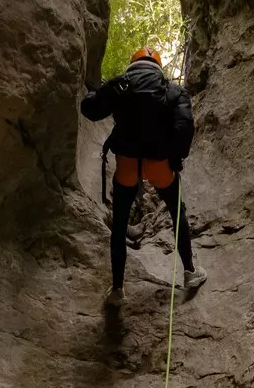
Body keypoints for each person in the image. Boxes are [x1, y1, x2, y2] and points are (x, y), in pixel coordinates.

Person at [81, 47, 207, 308]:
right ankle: (189, 272)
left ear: (133, 65)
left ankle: (118, 290)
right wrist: (173, 159)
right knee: (177, 212)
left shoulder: (121, 85)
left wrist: (101, 91)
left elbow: (90, 109)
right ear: (157, 67)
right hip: (159, 165)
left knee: (119, 225)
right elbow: (184, 130)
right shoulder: (173, 91)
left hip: (127, 164)